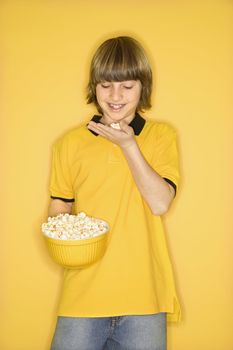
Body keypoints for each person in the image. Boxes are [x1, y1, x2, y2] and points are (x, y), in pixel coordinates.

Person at [48, 36, 181, 350]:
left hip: (145, 300)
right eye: (106, 85)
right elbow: (59, 208)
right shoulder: (69, 143)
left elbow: (161, 203)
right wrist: (61, 236)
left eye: (127, 86)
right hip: (81, 298)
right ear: (94, 87)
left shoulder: (162, 136)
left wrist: (128, 145)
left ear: (142, 87)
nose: (116, 96)